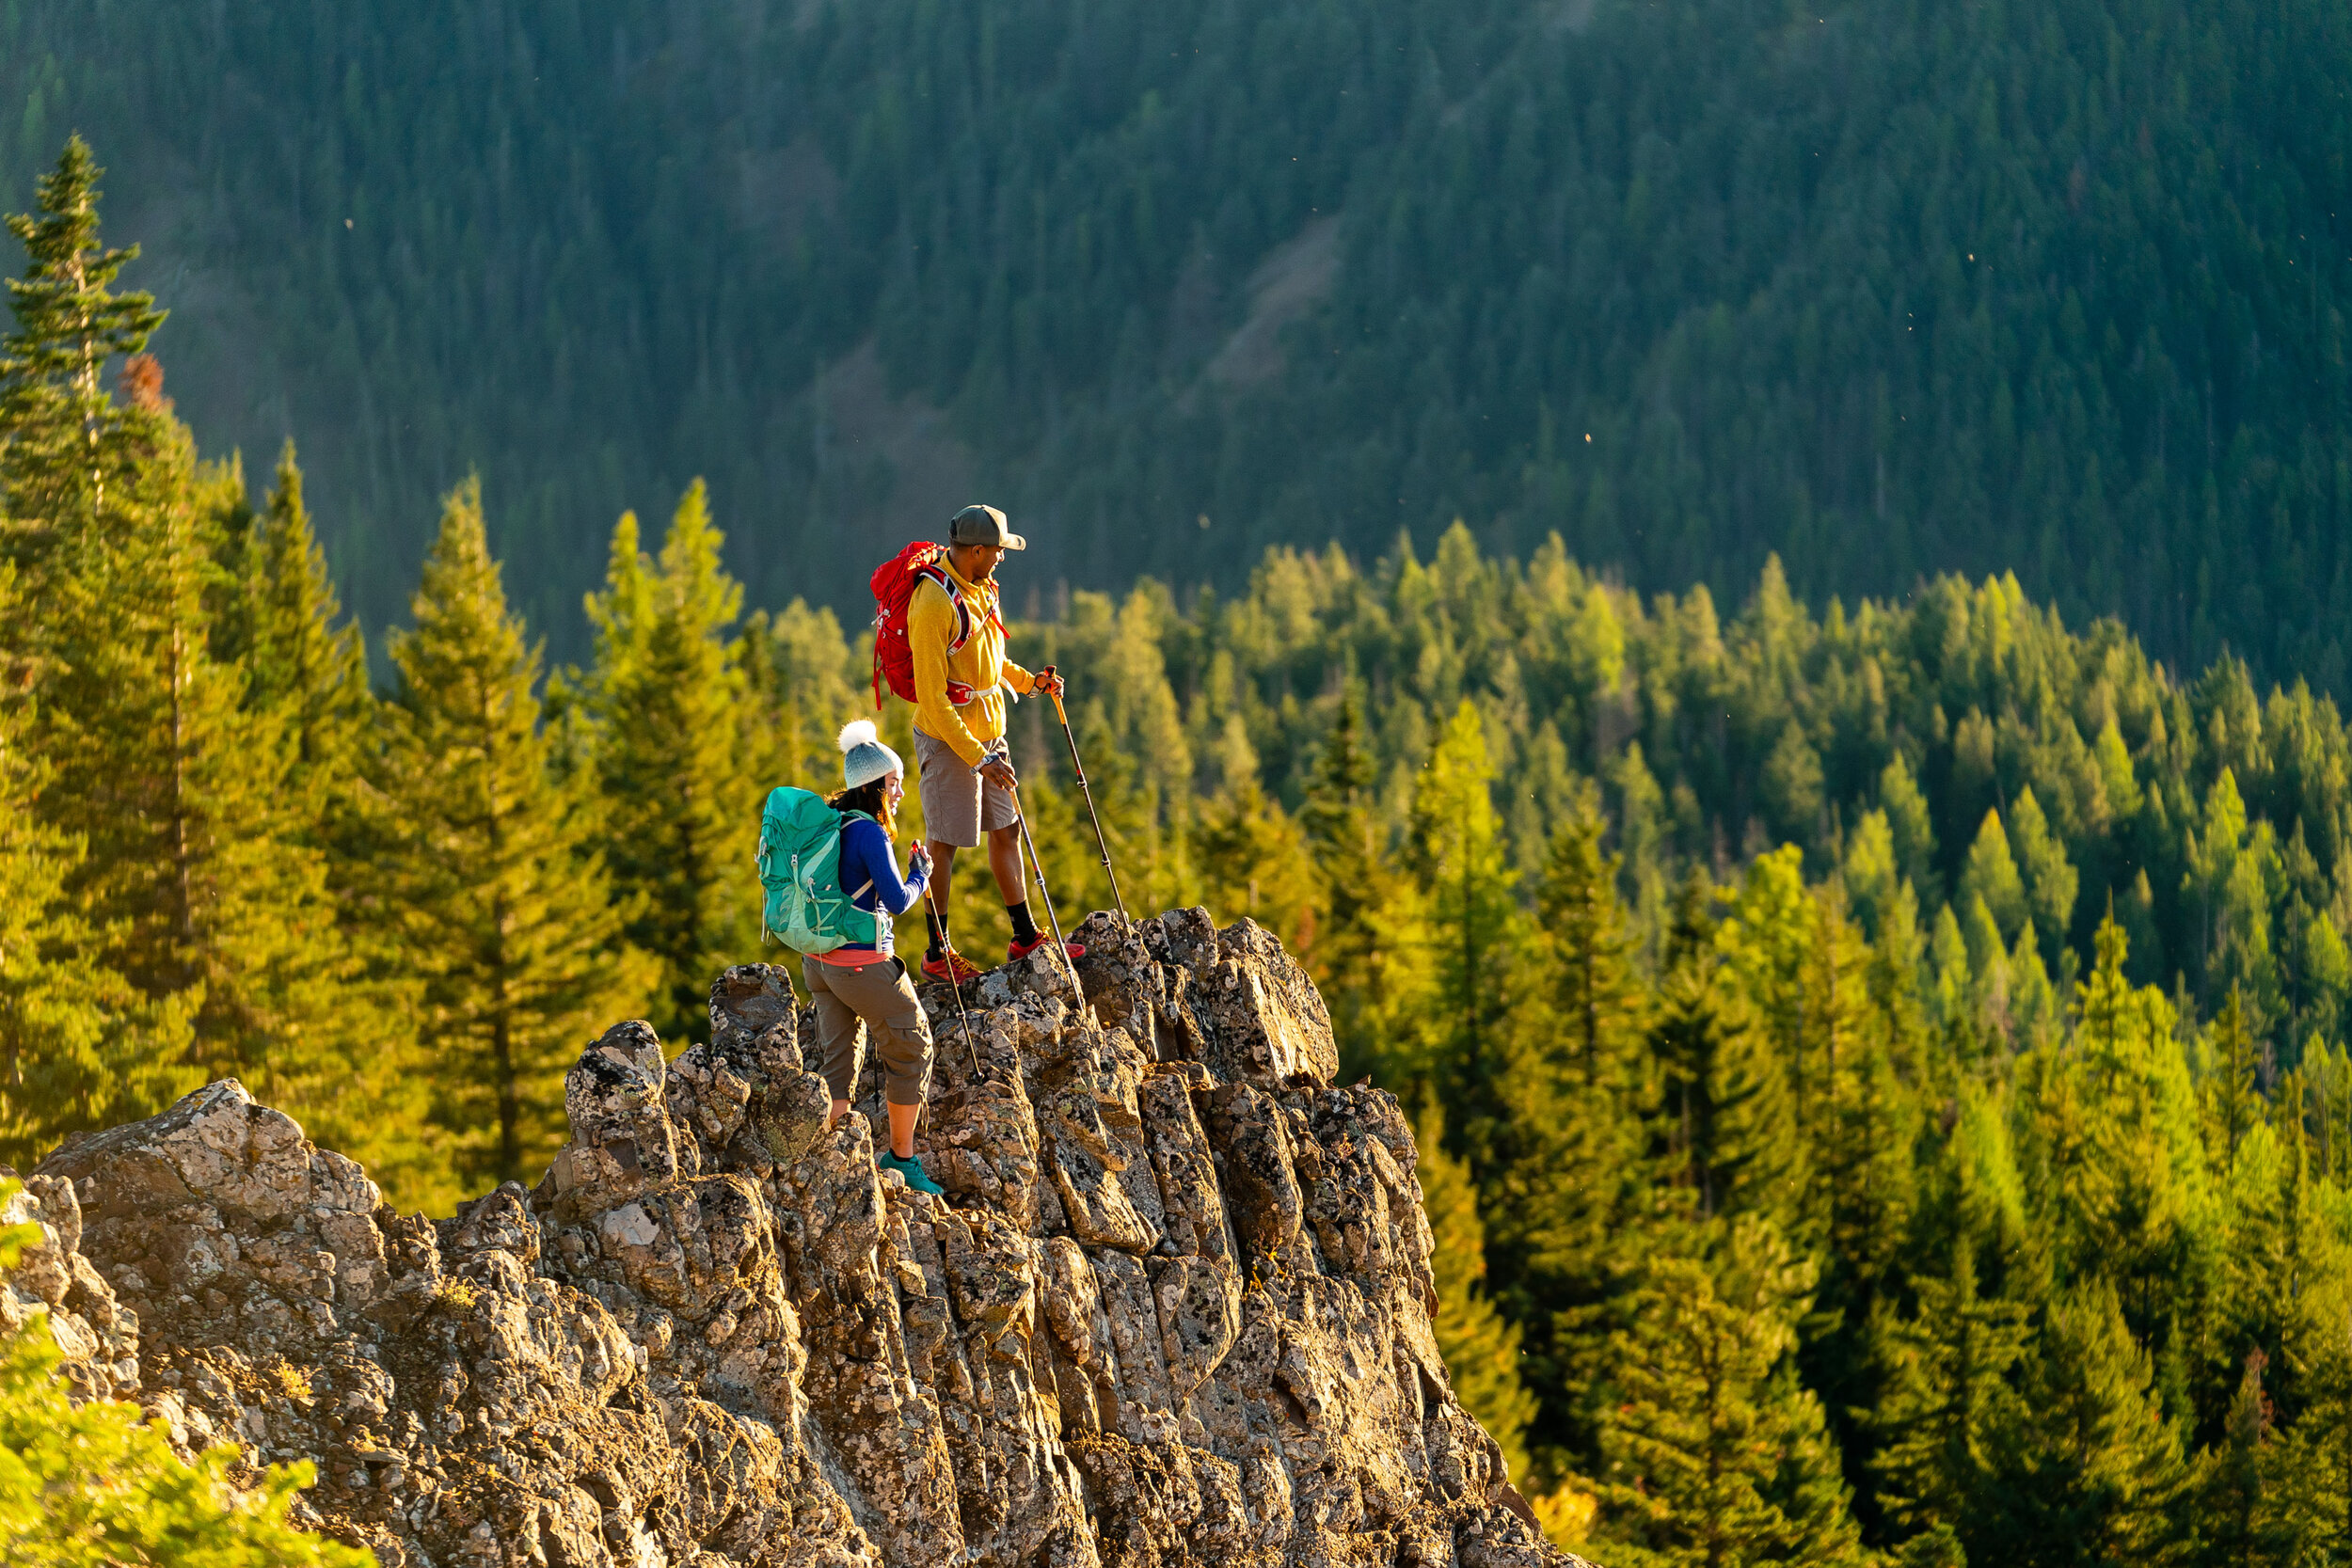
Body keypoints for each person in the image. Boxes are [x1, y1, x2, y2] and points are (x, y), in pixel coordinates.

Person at [908, 503, 1085, 980]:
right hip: (948, 740)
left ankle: (1024, 938)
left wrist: (1032, 683)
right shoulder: (931, 603)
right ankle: (937, 954)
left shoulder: (983, 589)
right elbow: (932, 697)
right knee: (943, 843)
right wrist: (978, 757)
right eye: (999, 551)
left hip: (990, 734)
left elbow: (992, 661)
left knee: (1007, 831)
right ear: (977, 550)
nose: (1003, 558)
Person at [803, 720, 945, 1197]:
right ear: (874, 786)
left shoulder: (831, 822)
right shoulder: (870, 835)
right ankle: (901, 1159)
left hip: (819, 962)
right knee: (913, 1044)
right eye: (894, 782)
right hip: (860, 965)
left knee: (838, 1057)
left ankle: (832, 1159)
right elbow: (899, 900)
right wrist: (920, 873)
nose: (901, 791)